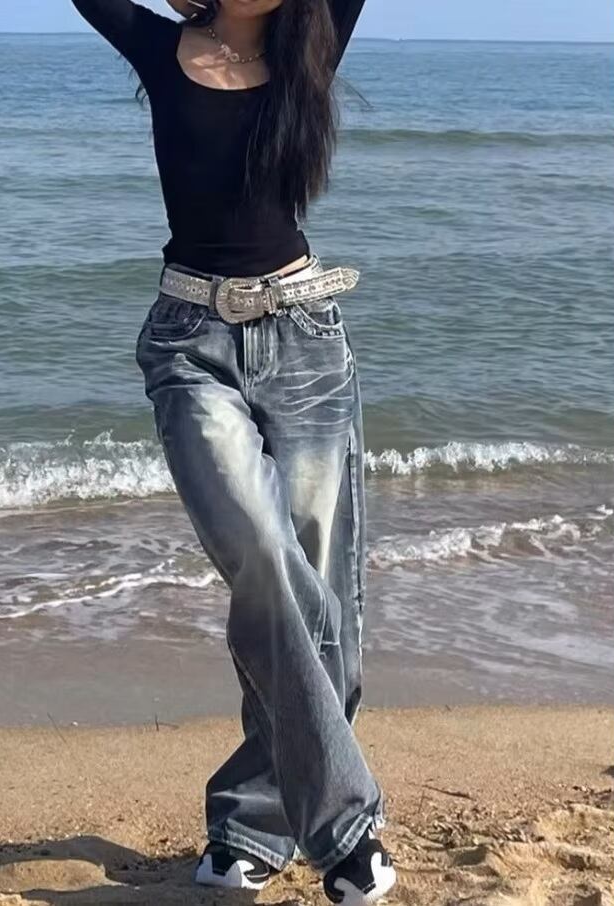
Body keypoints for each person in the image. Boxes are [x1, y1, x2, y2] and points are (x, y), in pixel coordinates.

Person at [70, 0, 396, 902]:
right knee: (264, 560)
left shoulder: (313, 48)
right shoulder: (159, 45)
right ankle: (345, 831)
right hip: (189, 344)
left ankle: (251, 824)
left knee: (321, 594)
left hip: (306, 341)